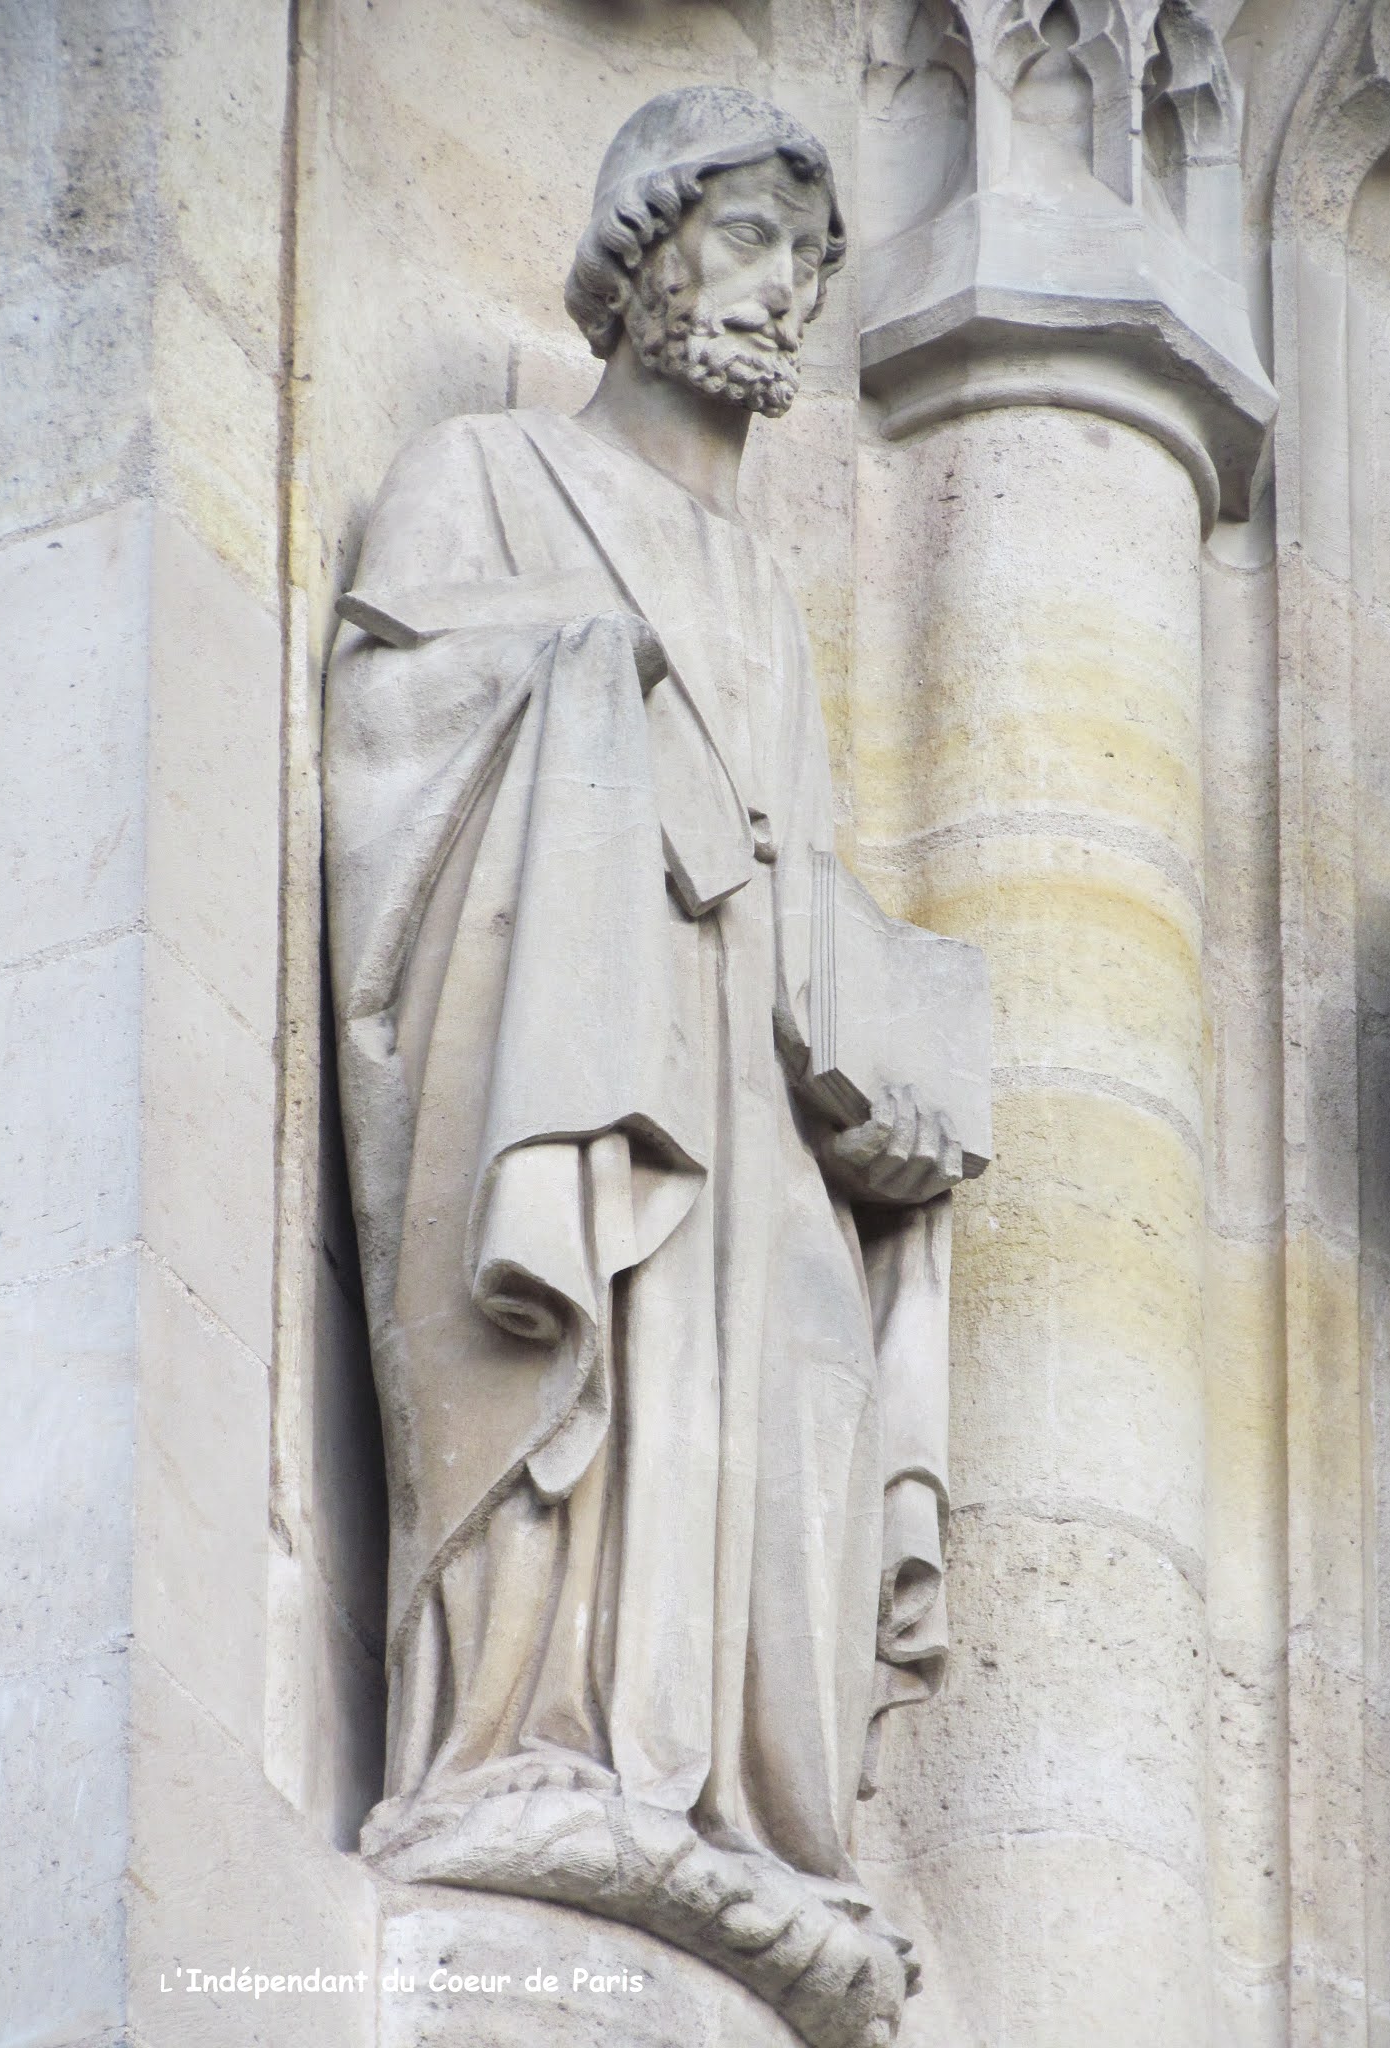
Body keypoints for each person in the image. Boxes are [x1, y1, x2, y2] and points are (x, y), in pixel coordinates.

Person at [323, 86, 976, 2040]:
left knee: (794, 1387)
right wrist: (590, 688)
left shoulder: (769, 594)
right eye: (748, 238)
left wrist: (889, 1040)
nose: (784, 292)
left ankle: (750, 1823)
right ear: (643, 251)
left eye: (811, 261)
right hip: (577, 1050)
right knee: (586, 1359)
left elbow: (798, 876)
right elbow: (395, 736)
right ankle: (524, 1742)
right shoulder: (486, 472)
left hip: (752, 1102)